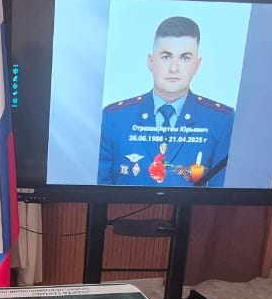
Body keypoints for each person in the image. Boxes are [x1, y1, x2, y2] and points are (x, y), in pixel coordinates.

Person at [97, 16, 234, 187]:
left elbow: (221, 193)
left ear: (197, 65)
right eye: (166, 57)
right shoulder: (114, 118)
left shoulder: (221, 120)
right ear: (151, 62)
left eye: (185, 58)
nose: (174, 68)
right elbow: (98, 187)